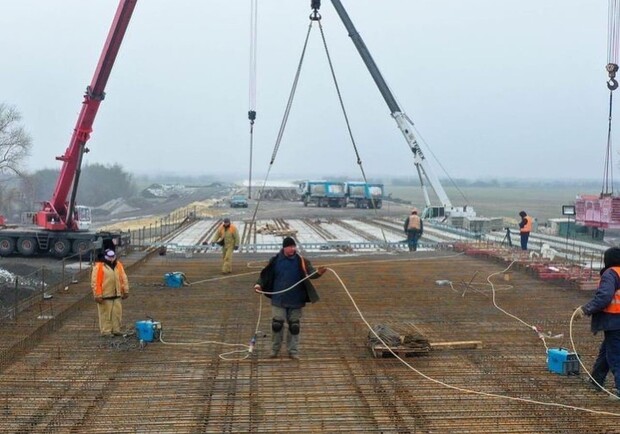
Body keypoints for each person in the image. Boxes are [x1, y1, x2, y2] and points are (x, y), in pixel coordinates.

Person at [254, 236, 326, 360]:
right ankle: (274, 350)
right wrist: (258, 284)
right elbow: (265, 275)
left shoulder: (302, 261)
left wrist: (318, 273)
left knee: (294, 326)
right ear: (284, 247)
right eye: (290, 247)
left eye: (294, 246)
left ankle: (293, 351)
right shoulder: (275, 260)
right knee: (277, 324)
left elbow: (311, 273)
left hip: (296, 299)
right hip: (279, 298)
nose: (293, 249)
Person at [575, 247, 620, 397]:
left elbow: (604, 297)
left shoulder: (611, 273)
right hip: (616, 322)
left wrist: (585, 309)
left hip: (615, 321)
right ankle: (596, 380)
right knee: (607, 351)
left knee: (615, 356)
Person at [91, 249, 129, 337]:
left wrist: (125, 291)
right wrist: (98, 295)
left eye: (113, 257)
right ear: (105, 257)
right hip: (105, 296)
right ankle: (106, 331)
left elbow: (123, 278)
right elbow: (96, 282)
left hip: (117, 295)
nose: (112, 259)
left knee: (117, 313)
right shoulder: (99, 266)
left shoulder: (118, 265)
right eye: (110, 257)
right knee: (105, 315)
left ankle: (116, 330)